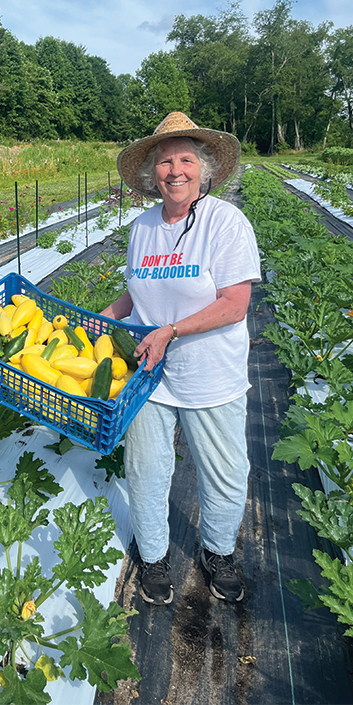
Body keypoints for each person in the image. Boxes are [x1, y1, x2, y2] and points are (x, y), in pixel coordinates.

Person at [101, 112, 261, 605]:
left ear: (205, 169)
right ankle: (152, 557)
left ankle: (218, 552)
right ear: (152, 174)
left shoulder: (225, 222)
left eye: (186, 159)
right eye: (165, 161)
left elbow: (235, 304)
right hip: (149, 374)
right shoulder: (143, 228)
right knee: (146, 470)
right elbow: (134, 297)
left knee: (226, 471)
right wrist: (96, 321)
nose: (175, 170)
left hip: (211, 373)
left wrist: (171, 330)